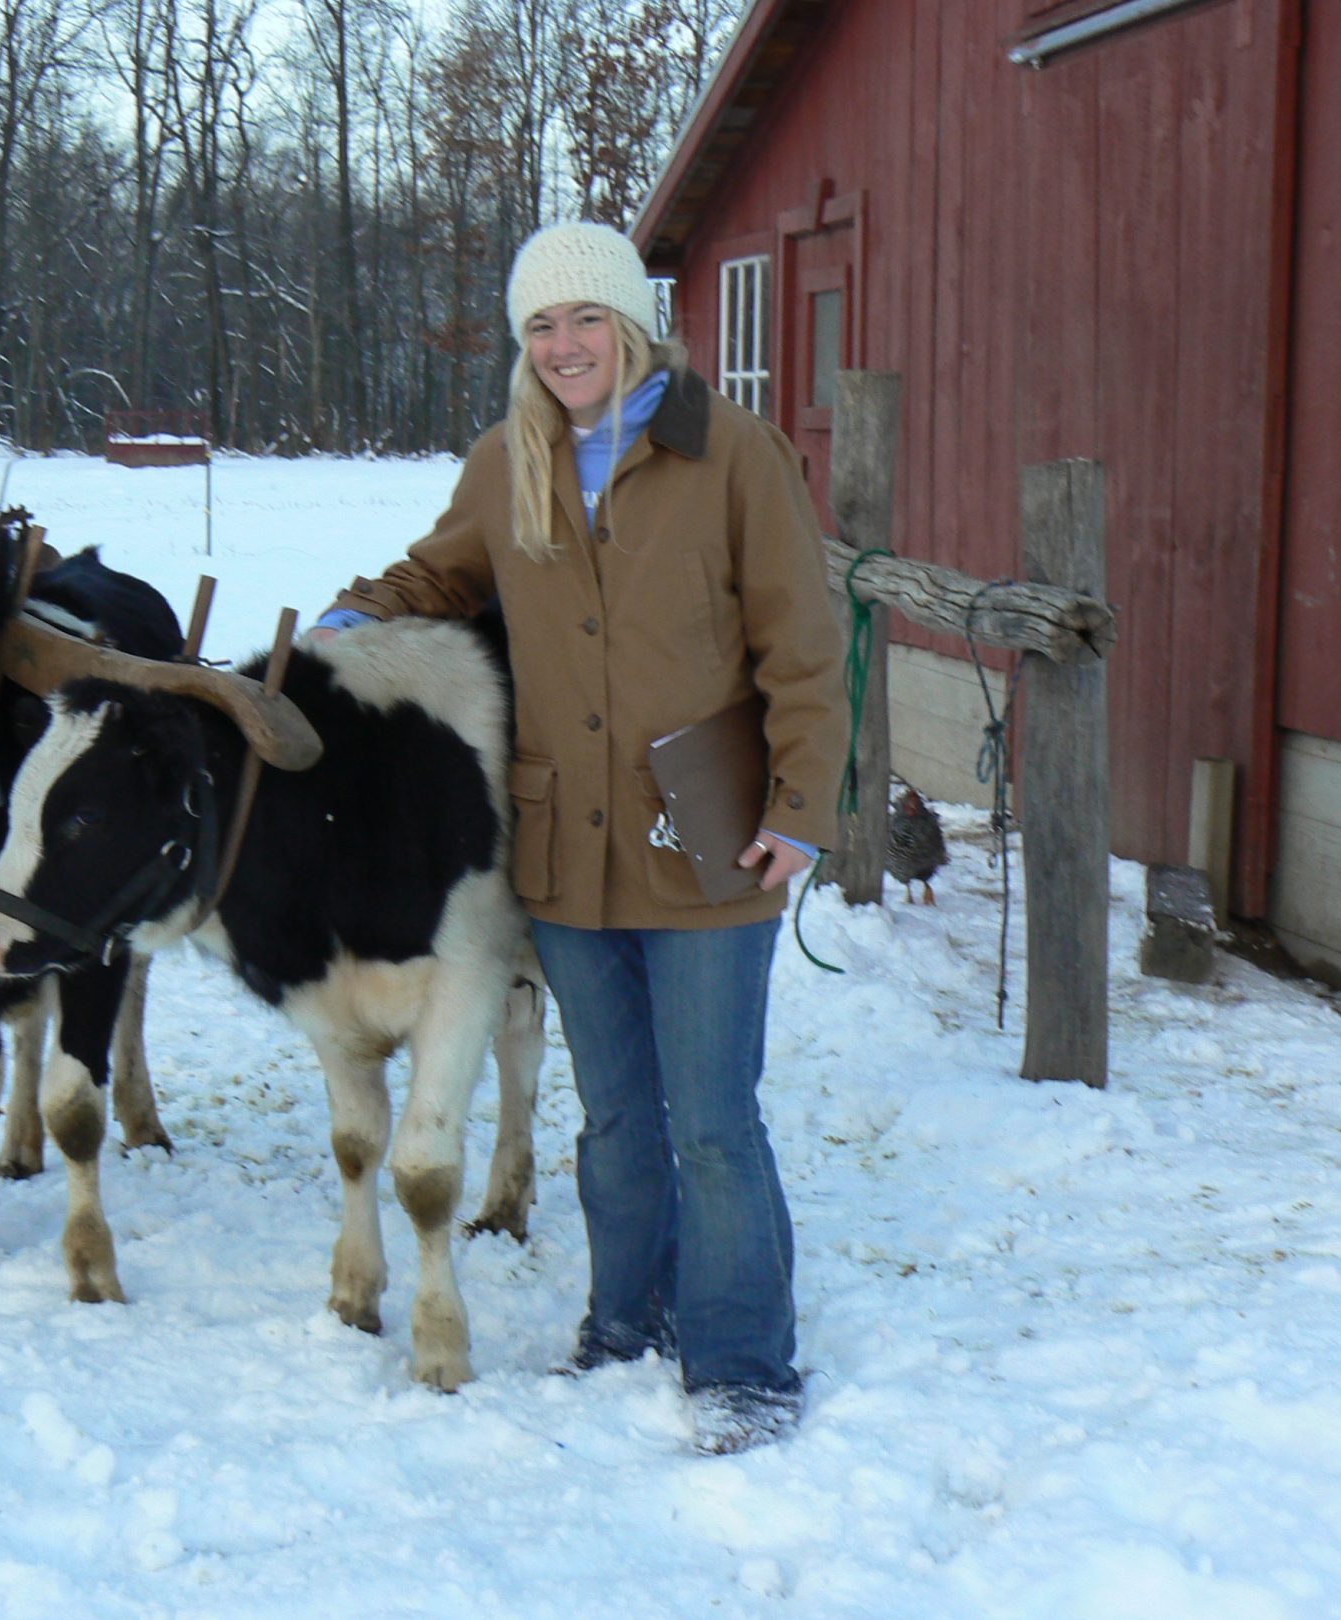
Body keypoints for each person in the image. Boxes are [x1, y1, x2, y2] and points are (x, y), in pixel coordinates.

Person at [312, 221, 849, 1453]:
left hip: (708, 836)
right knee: (612, 1119)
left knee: (714, 1121)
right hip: (567, 845)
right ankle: (627, 1321)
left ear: (633, 325)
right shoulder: (510, 461)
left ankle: (742, 1361)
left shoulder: (734, 458)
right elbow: (441, 577)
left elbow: (802, 652)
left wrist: (802, 811)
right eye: (541, 327)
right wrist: (350, 619)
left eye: (584, 320)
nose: (563, 346)